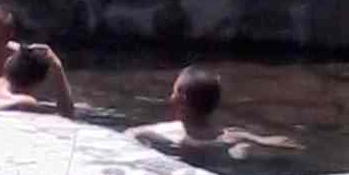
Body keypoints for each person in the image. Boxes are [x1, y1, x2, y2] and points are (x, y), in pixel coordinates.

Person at [128, 66, 302, 163]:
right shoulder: (231, 137)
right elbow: (290, 145)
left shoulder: (159, 133)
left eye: (173, 92)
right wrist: (248, 146)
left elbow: (128, 136)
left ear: (179, 101)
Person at [0, 42, 76, 118]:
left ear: (7, 64)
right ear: (38, 83)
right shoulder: (22, 104)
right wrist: (58, 67)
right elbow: (66, 116)